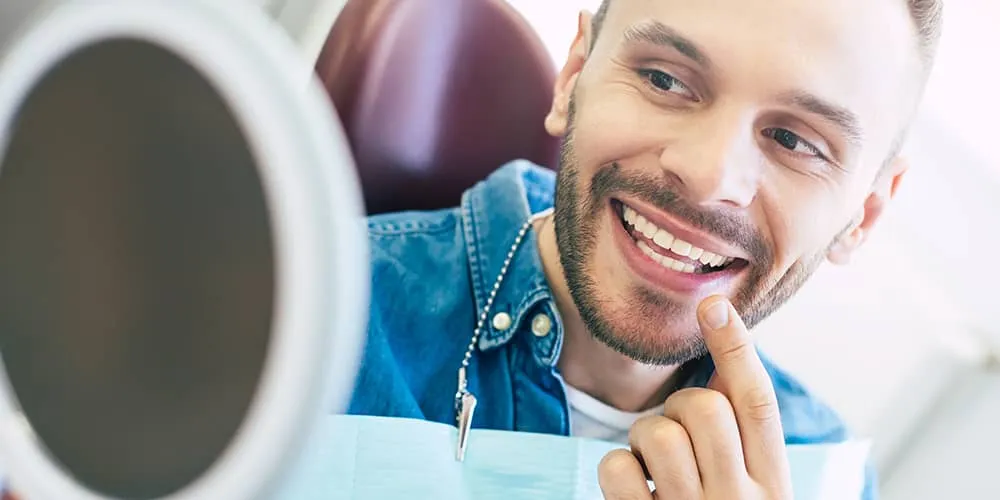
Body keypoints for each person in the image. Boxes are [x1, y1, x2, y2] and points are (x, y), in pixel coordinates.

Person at [349, 0, 943, 498]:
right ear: (574, 74)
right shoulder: (315, 308)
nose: (709, 175)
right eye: (665, 80)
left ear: (863, 215)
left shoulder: (827, 477)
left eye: (794, 140)